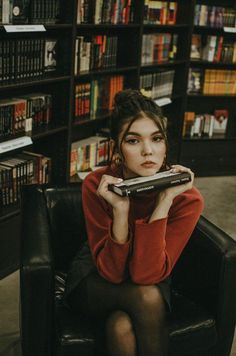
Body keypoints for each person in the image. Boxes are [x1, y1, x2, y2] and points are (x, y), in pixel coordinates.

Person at [64, 89, 204, 356]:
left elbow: (146, 275)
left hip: (151, 275)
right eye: (133, 141)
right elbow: (113, 273)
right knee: (146, 297)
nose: (148, 151)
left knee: (121, 326)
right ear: (117, 148)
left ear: (165, 145)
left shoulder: (186, 198)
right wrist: (120, 209)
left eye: (156, 139)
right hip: (96, 276)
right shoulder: (98, 184)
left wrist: (164, 201)